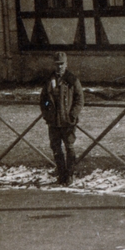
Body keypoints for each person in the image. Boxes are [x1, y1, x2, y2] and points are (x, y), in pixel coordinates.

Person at [39, 51, 83, 184]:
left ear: (66, 64)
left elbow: (79, 99)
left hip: (67, 121)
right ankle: (61, 174)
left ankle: (69, 175)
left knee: (69, 147)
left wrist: (73, 114)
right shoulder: (49, 80)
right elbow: (44, 100)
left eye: (62, 64)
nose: (59, 67)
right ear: (54, 65)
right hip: (53, 122)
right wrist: (47, 112)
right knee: (56, 148)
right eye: (57, 64)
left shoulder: (72, 80)